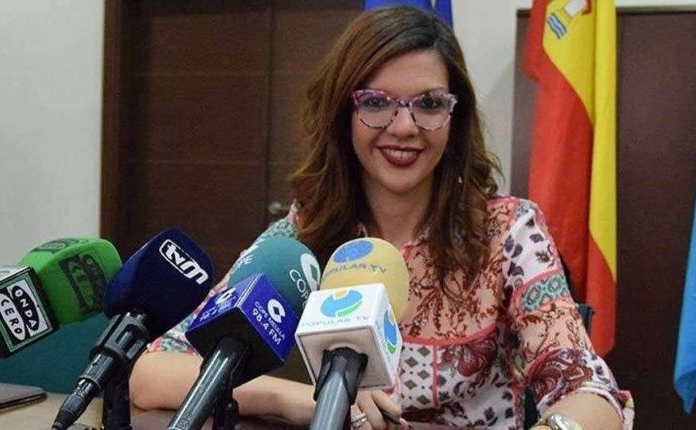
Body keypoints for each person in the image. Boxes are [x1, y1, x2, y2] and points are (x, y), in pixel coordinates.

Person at [129, 6, 634, 430]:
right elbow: (152, 372)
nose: (405, 126)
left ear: (454, 118)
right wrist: (292, 398)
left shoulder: (508, 231)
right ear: (342, 115)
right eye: (375, 102)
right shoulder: (303, 237)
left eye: (429, 104)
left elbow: (592, 393)